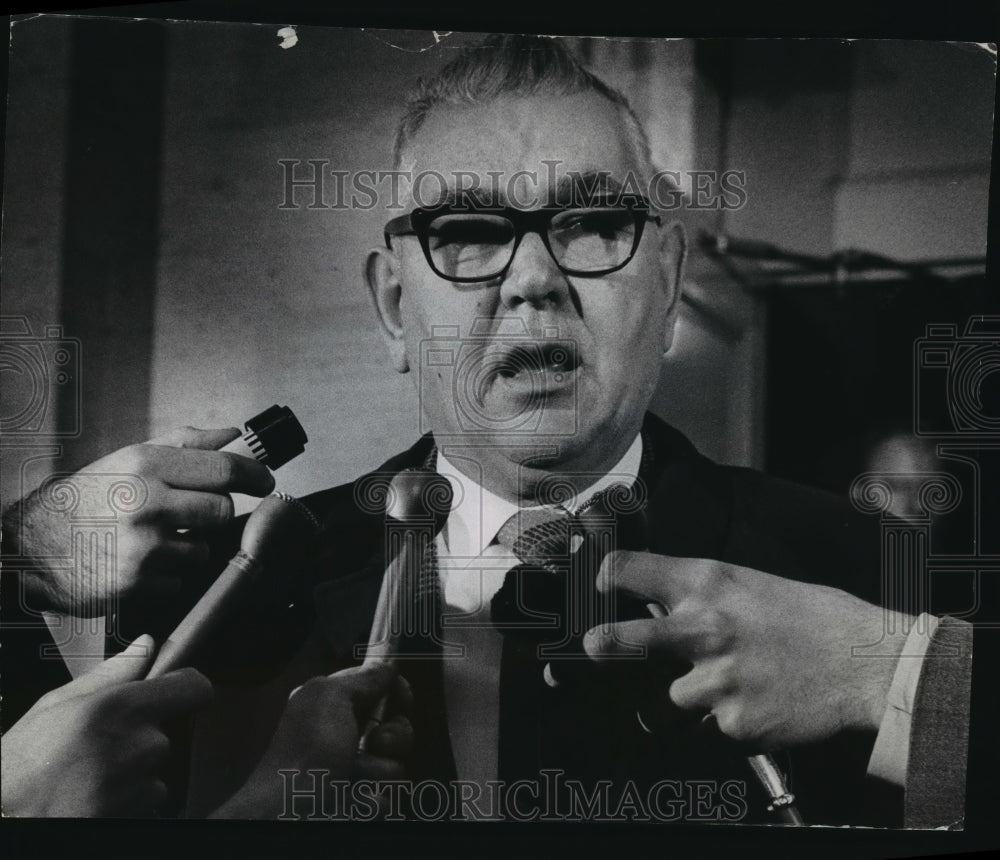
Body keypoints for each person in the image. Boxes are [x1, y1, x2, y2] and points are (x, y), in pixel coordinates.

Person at [1, 35, 990, 826]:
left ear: (672, 282)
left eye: (594, 223)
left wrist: (891, 679)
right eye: (468, 234)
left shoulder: (875, 577)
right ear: (394, 307)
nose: (531, 280)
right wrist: (26, 551)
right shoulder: (227, 591)